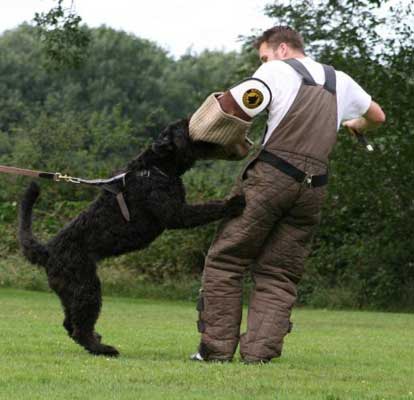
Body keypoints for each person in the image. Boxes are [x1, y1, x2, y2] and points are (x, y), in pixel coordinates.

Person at [189, 26, 386, 364]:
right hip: (314, 188)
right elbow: (377, 115)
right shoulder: (341, 80)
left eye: (263, 56)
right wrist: (356, 125)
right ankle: (260, 355)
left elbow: (238, 106)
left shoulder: (275, 71)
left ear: (281, 49)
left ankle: (215, 350)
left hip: (271, 178)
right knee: (279, 273)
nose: (262, 62)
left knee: (227, 259)